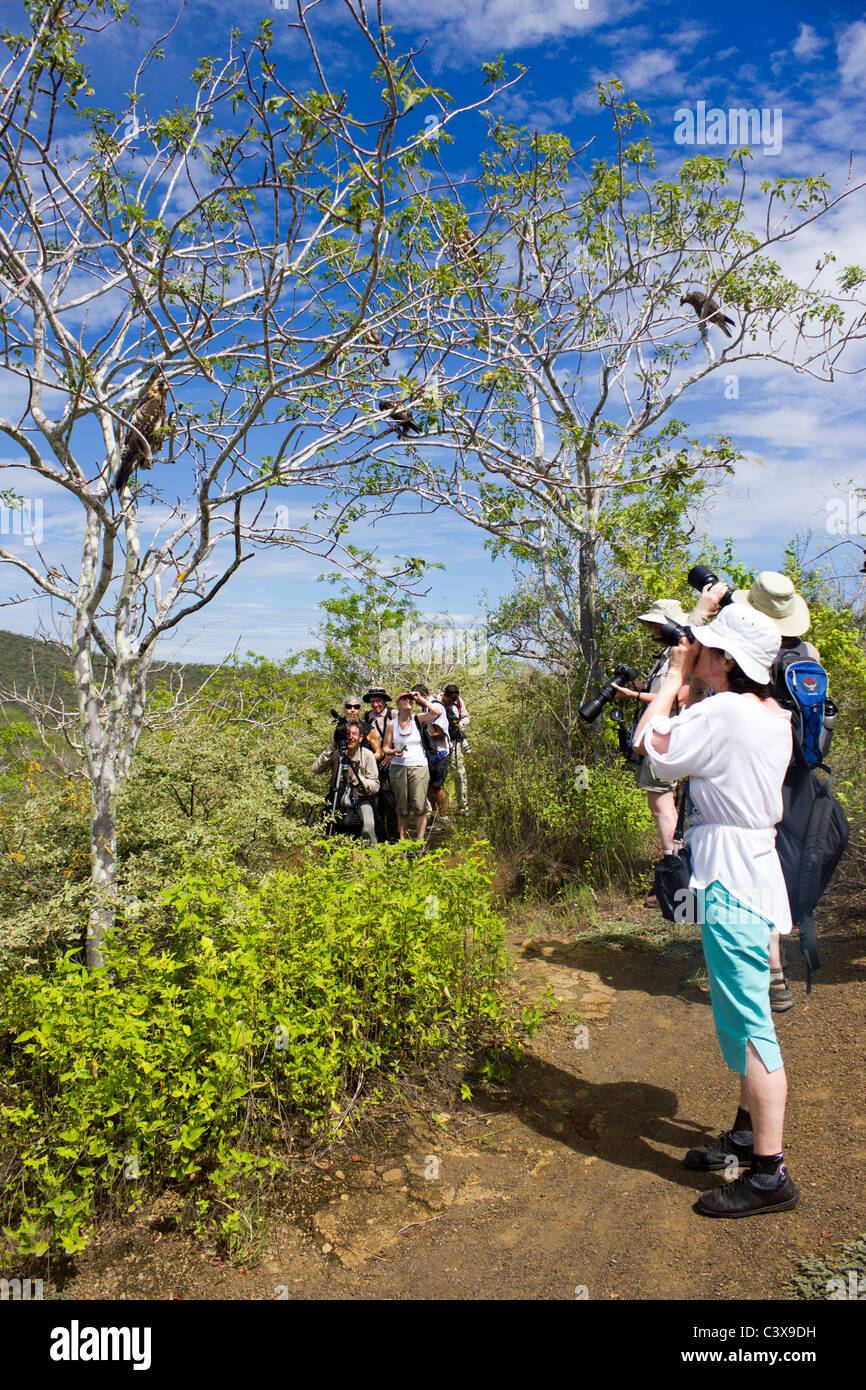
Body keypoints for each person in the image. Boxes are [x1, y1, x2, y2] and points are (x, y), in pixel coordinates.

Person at [632, 605, 798, 1217]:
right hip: (751, 866)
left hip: (730, 879)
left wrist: (671, 683)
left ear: (726, 660)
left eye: (703, 646)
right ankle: (747, 1137)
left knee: (753, 1027)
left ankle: (768, 1174)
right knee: (746, 1015)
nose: (693, 649)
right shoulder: (769, 711)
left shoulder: (724, 709)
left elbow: (650, 748)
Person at [732, 571, 820, 1013]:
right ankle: (784, 953)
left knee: (758, 862)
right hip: (803, 767)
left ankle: (771, 970)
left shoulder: (757, 655)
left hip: (762, 769)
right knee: (784, 861)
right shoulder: (809, 652)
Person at [613, 584, 728, 861]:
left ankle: (673, 862)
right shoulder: (669, 655)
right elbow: (662, 692)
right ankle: (675, 859)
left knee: (661, 802)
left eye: (657, 625)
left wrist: (634, 694)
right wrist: (633, 682)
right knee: (660, 802)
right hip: (660, 733)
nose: (653, 631)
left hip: (668, 736)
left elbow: (678, 696)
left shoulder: (684, 654)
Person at [382, 690, 442, 840]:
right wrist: (392, 752)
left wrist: (421, 699)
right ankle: (403, 840)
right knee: (402, 807)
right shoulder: (392, 724)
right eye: (404, 699)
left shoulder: (418, 719)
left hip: (419, 766)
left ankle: (419, 841)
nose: (408, 701)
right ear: (398, 704)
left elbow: (438, 712)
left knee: (419, 804)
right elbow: (385, 747)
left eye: (410, 699)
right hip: (398, 767)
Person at [311, 719, 380, 844]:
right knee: (326, 828)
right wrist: (331, 746)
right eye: (347, 734)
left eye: (354, 734)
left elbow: (375, 786)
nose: (350, 737)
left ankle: (373, 859)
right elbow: (316, 769)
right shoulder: (336, 753)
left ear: (360, 738)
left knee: (368, 828)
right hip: (338, 797)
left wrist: (355, 778)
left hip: (360, 799)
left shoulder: (367, 755)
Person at [411, 682, 451, 822]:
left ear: (424, 696)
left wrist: (420, 737)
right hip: (429, 755)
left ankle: (444, 818)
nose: (416, 703)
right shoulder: (424, 709)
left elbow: (440, 733)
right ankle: (434, 817)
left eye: (417, 699)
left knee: (435, 787)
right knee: (428, 787)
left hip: (440, 753)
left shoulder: (436, 707)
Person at [363, 687, 398, 842]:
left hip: (391, 761)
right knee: (376, 799)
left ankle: (393, 834)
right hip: (374, 761)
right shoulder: (368, 717)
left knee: (390, 798)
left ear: (384, 701)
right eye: (372, 701)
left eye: (378, 701)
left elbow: (402, 736)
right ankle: (379, 833)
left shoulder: (393, 714)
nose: (375, 704)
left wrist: (390, 756)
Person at [440, 683, 470, 816]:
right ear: (444, 695)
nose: (452, 701)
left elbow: (465, 716)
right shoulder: (435, 702)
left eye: (454, 699)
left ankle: (463, 806)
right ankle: (438, 811)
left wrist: (461, 725)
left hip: (455, 742)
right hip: (438, 744)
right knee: (438, 775)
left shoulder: (459, 701)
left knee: (460, 773)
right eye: (450, 699)